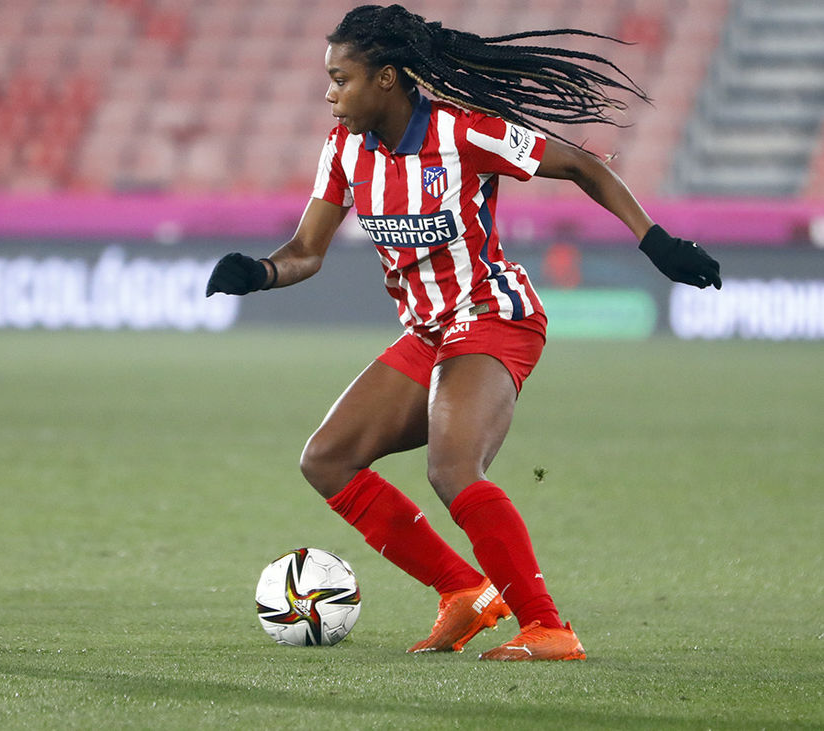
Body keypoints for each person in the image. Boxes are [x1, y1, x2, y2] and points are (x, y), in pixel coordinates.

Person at [206, 5, 719, 661]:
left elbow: (582, 167)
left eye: (342, 78)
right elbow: (308, 249)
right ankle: (463, 591)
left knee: (451, 466)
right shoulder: (344, 149)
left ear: (387, 78)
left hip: (493, 314)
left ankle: (549, 626)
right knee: (326, 459)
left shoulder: (463, 132)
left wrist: (657, 242)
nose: (331, 94)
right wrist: (261, 271)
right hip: (429, 331)